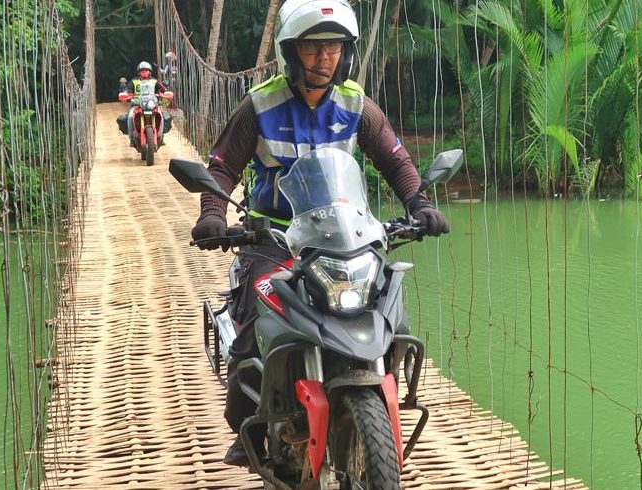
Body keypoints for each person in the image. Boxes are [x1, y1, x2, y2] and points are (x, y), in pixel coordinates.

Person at [189, 0, 450, 467]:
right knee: (255, 317)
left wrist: (420, 203)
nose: (324, 58)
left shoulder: (356, 104)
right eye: (313, 48)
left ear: (345, 52)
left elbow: (395, 160)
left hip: (342, 238)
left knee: (387, 300)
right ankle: (245, 416)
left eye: (332, 47)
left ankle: (380, 393)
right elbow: (223, 165)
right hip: (274, 238)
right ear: (292, 52)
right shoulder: (260, 105)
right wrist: (213, 213)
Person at [116, 61, 173, 138]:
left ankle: (160, 134)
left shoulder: (154, 81)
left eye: (146, 70)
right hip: (136, 104)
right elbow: (128, 90)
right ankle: (131, 136)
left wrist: (166, 93)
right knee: (130, 117)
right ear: (139, 72)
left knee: (162, 115)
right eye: (142, 71)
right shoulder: (134, 81)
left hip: (152, 103)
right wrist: (126, 94)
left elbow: (162, 89)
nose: (144, 72)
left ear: (150, 72)